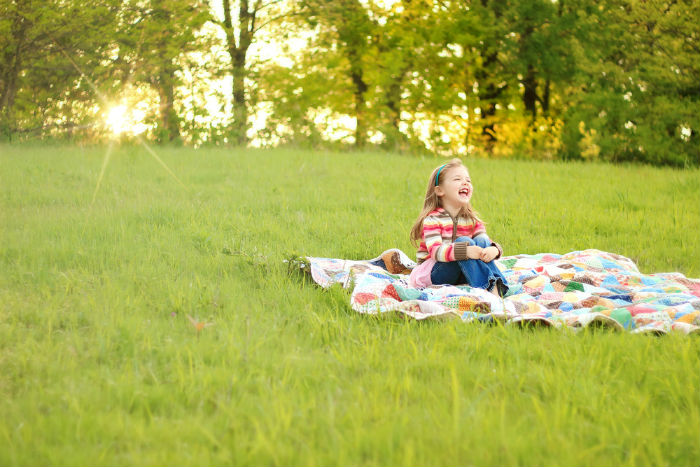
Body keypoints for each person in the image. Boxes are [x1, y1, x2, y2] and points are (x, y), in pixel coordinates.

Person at [408, 158, 509, 297]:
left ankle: (497, 286)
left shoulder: (472, 219)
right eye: (457, 179)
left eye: (468, 180)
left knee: (481, 242)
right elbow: (436, 252)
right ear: (439, 190)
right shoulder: (433, 219)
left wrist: (494, 250)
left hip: (462, 272)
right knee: (463, 241)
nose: (465, 182)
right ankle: (491, 290)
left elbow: (484, 242)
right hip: (434, 274)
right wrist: (466, 251)